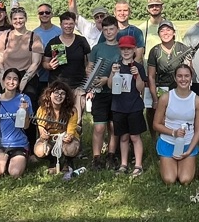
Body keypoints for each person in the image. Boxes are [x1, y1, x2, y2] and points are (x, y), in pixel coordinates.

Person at [153, 64, 199, 185]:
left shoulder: (197, 101)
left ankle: (186, 160)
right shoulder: (166, 98)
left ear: (191, 78)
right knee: (169, 180)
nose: (183, 79)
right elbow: (156, 124)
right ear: (175, 78)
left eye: (186, 76)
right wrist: (173, 132)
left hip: (187, 144)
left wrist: (189, 150)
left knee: (185, 179)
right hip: (168, 141)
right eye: (179, 76)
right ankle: (166, 161)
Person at [0, 68, 33, 179]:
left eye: (15, 79)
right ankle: (4, 160)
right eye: (8, 78)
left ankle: (19, 159)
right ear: (3, 81)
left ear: (18, 82)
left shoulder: (24, 99)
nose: (11, 82)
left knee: (14, 173)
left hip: (19, 144)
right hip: (1, 144)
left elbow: (26, 126)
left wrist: (26, 111)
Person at [0, 6, 43, 120]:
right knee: (7, 113)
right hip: (7, 77)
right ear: (11, 20)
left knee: (27, 113)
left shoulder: (34, 37)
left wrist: (22, 83)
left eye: (21, 18)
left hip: (27, 78)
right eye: (15, 19)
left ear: (25, 19)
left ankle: (28, 137)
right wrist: (4, 84)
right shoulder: (5, 37)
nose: (18, 21)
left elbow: (35, 63)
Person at [109, 35, 148, 176]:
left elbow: (140, 88)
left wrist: (137, 76)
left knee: (135, 137)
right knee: (123, 137)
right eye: (123, 49)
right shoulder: (116, 66)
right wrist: (113, 73)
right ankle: (123, 164)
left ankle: (138, 165)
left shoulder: (138, 67)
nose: (126, 51)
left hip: (134, 106)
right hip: (119, 106)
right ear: (120, 50)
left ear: (134, 50)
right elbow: (109, 85)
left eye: (129, 49)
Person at [87, 15, 122, 169]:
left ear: (117, 29)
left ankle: (111, 155)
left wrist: (107, 78)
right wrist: (92, 78)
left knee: (113, 126)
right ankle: (96, 157)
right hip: (100, 93)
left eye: (111, 29)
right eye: (106, 29)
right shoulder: (97, 48)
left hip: (117, 94)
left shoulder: (122, 48)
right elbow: (90, 68)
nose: (108, 32)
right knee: (99, 127)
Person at [145, 19, 189, 129]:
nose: (166, 33)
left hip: (178, 88)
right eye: (162, 31)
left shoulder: (182, 48)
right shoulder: (155, 51)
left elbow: (188, 72)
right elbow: (151, 76)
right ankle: (155, 140)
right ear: (158, 34)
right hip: (161, 88)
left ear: (174, 32)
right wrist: (155, 99)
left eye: (168, 30)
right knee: (156, 116)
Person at [32, 80, 81, 176]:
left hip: (64, 138)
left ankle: (68, 161)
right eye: (56, 93)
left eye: (62, 93)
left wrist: (69, 136)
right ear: (49, 94)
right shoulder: (42, 109)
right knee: (40, 150)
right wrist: (43, 135)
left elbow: (71, 130)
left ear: (66, 96)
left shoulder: (71, 111)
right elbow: (41, 129)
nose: (59, 96)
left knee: (70, 148)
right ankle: (53, 161)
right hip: (50, 138)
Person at [42, 11, 92, 92]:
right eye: (65, 23)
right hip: (57, 85)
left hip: (78, 85)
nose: (68, 26)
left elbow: (89, 61)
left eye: (71, 23)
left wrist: (89, 78)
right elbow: (44, 62)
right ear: (61, 25)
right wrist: (49, 66)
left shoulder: (81, 41)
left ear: (74, 25)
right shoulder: (54, 42)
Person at [32, 2, 60, 92]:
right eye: (41, 13)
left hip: (56, 77)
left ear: (52, 14)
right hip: (39, 77)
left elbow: (60, 57)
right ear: (38, 16)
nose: (44, 15)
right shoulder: (33, 34)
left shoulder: (59, 32)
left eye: (47, 12)